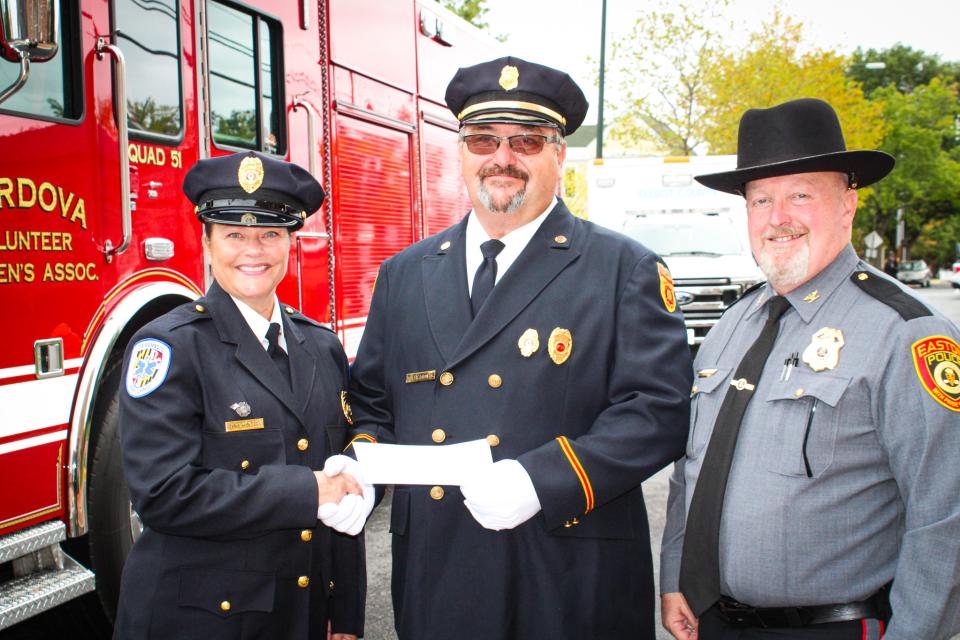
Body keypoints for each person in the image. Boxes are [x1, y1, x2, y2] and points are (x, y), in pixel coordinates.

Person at [341, 56, 693, 639]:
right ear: (460, 151)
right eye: (482, 139)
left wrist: (540, 481)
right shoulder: (404, 272)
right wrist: (361, 467)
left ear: (559, 154)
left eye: (526, 140)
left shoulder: (622, 268)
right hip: (441, 567)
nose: (502, 158)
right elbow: (371, 403)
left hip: (566, 573)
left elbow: (658, 411)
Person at [660, 98, 960, 639]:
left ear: (848, 204)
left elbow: (946, 518)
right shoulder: (733, 325)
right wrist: (678, 573)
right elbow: (693, 468)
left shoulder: (906, 333)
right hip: (715, 622)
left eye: (801, 194)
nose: (778, 219)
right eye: (761, 200)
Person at [114, 152, 367, 639]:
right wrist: (307, 491)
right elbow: (164, 494)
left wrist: (346, 609)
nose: (254, 250)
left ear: (290, 242)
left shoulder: (321, 346)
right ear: (207, 243)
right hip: (201, 621)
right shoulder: (168, 346)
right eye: (234, 235)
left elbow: (339, 478)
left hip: (300, 618)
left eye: (270, 233)